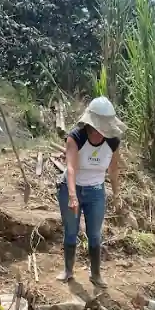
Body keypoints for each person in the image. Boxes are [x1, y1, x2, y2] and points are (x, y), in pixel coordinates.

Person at [57, 96, 126, 288]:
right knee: (71, 232)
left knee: (95, 235)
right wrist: (72, 196)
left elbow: (113, 170)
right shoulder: (76, 137)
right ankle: (68, 271)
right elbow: (71, 167)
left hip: (96, 192)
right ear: (91, 124)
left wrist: (116, 195)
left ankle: (96, 274)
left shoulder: (112, 141)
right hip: (71, 188)